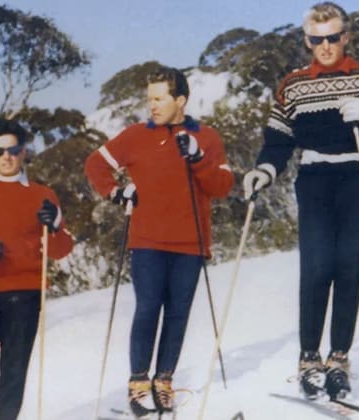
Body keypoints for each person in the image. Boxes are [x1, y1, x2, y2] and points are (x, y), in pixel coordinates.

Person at [242, 2, 359, 400]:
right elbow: (278, 141)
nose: (326, 46)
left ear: (345, 36)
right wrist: (265, 170)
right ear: (307, 41)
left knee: (350, 266)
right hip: (315, 176)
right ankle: (309, 359)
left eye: (333, 37)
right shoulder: (293, 84)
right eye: (317, 40)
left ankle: (339, 359)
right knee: (316, 267)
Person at [84, 66, 233, 417]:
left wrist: (197, 159)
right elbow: (95, 165)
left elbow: (222, 187)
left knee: (178, 312)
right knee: (148, 307)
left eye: (159, 98)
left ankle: (163, 381)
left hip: (190, 243)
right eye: (149, 99)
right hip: (147, 240)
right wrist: (116, 192)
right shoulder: (135, 135)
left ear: (180, 99)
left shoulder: (206, 137)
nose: (151, 105)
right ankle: (138, 383)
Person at [0, 118, 74, 420]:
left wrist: (55, 224)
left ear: (23, 151)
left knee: (14, 374)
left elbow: (61, 249)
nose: (6, 157)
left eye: (14, 150)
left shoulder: (43, 195)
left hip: (25, 294)